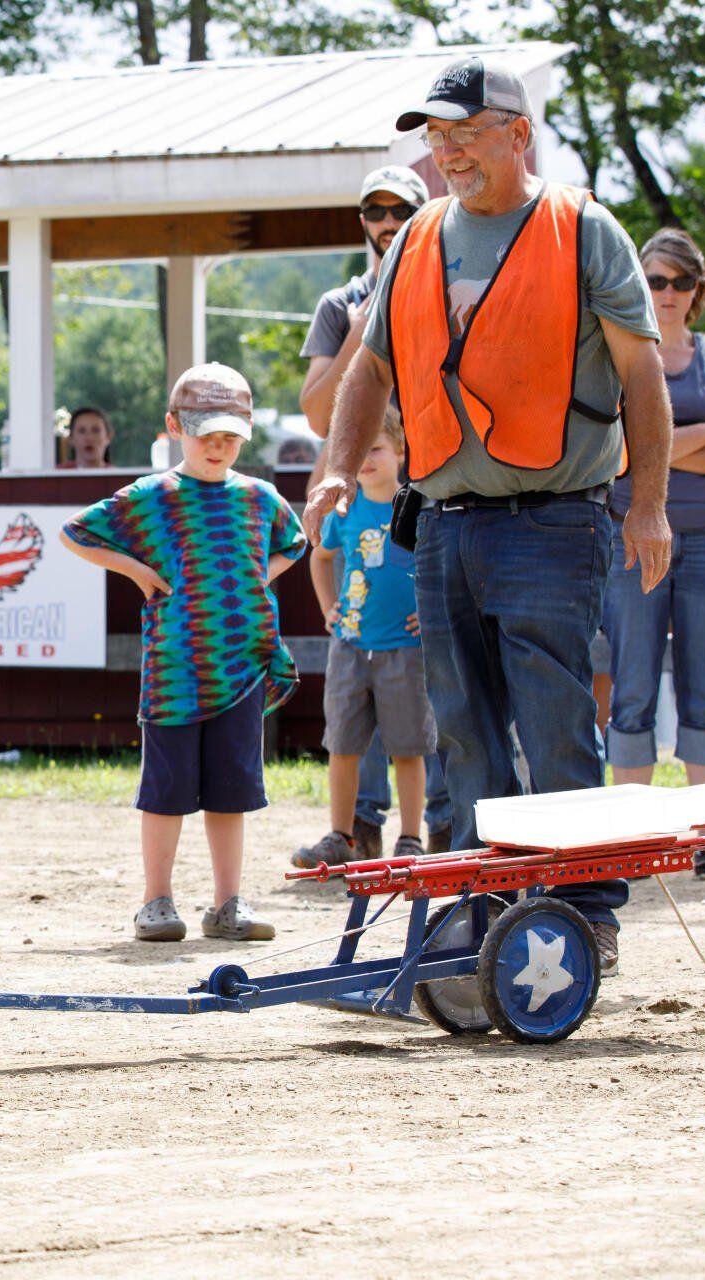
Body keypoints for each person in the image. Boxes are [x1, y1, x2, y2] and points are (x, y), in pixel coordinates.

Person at [306, 56, 673, 978]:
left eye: (463, 133)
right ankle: (484, 906)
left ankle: (585, 913)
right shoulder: (418, 239)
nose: (447, 152)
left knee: (554, 719)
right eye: (436, 137)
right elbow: (369, 371)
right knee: (458, 723)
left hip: (557, 519)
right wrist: (338, 467)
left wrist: (653, 506)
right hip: (443, 521)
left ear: (519, 132)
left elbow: (641, 376)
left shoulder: (584, 229)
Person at [60, 363, 305, 943]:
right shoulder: (154, 496)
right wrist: (138, 570)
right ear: (174, 426)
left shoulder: (258, 497)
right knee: (165, 793)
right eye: (205, 434)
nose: (218, 447)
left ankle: (227, 904)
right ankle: (156, 901)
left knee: (232, 793)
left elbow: (295, 542)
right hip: (174, 673)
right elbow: (77, 531)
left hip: (242, 669)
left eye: (230, 437)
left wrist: (256, 579)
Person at [297, 163, 450, 858]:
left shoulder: (447, 285)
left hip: (437, 482)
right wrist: (365, 327)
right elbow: (316, 409)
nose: (387, 225)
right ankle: (355, 828)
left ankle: (439, 826)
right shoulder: (341, 303)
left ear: (423, 215)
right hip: (359, 483)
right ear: (362, 221)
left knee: (429, 687)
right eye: (375, 213)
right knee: (356, 701)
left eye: (401, 212)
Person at [602, 228, 705, 880]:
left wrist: (657, 441)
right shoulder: (621, 356)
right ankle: (634, 837)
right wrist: (704, 431)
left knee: (703, 688)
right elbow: (618, 456)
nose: (668, 293)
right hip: (630, 539)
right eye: (656, 280)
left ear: (698, 292)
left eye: (681, 282)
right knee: (631, 687)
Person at [295, 414, 436, 869]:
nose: (367, 460)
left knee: (409, 747)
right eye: (357, 452)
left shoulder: (417, 506)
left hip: (405, 650)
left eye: (376, 449)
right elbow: (320, 558)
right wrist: (327, 608)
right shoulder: (345, 510)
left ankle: (411, 837)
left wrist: (428, 614)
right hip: (351, 646)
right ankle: (342, 835)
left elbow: (436, 566)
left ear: (400, 451)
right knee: (343, 745)